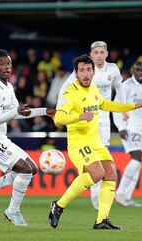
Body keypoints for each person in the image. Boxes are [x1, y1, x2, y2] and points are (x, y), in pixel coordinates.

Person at [49, 54, 142, 230]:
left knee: (111, 174)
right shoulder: (69, 93)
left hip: (96, 142)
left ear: (94, 72)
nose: (86, 74)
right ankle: (58, 206)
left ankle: (101, 220)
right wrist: (80, 116)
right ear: (76, 73)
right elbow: (58, 118)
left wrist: (134, 106)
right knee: (97, 174)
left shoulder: (94, 90)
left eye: (89, 70)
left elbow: (109, 105)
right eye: (82, 70)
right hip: (78, 143)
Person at [0, 49, 55, 226]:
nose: (6, 66)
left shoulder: (9, 87)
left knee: (32, 169)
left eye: (8, 63)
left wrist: (44, 111)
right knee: (24, 170)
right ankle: (12, 212)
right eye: (1, 63)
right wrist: (15, 110)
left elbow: (19, 113)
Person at [57, 41, 125, 210]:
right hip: (86, 121)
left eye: (102, 52)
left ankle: (103, 197)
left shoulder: (113, 69)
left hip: (104, 119)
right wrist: (61, 109)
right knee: (94, 164)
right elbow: (64, 89)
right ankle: (95, 196)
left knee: (104, 160)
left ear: (107, 54)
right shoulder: (82, 71)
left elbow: (119, 87)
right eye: (96, 53)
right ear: (91, 54)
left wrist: (123, 108)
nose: (99, 55)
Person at [113, 62, 142, 207]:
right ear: (133, 70)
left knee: (138, 163)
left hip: (141, 128)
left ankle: (127, 196)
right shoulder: (126, 86)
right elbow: (115, 106)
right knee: (137, 158)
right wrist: (121, 127)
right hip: (129, 126)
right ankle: (120, 193)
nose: (140, 72)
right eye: (138, 69)